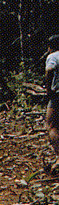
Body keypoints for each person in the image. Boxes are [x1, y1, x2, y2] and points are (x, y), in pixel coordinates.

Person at [45, 35, 59, 172]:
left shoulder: (53, 56)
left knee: (52, 126)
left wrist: (48, 90)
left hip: (57, 95)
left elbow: (49, 70)